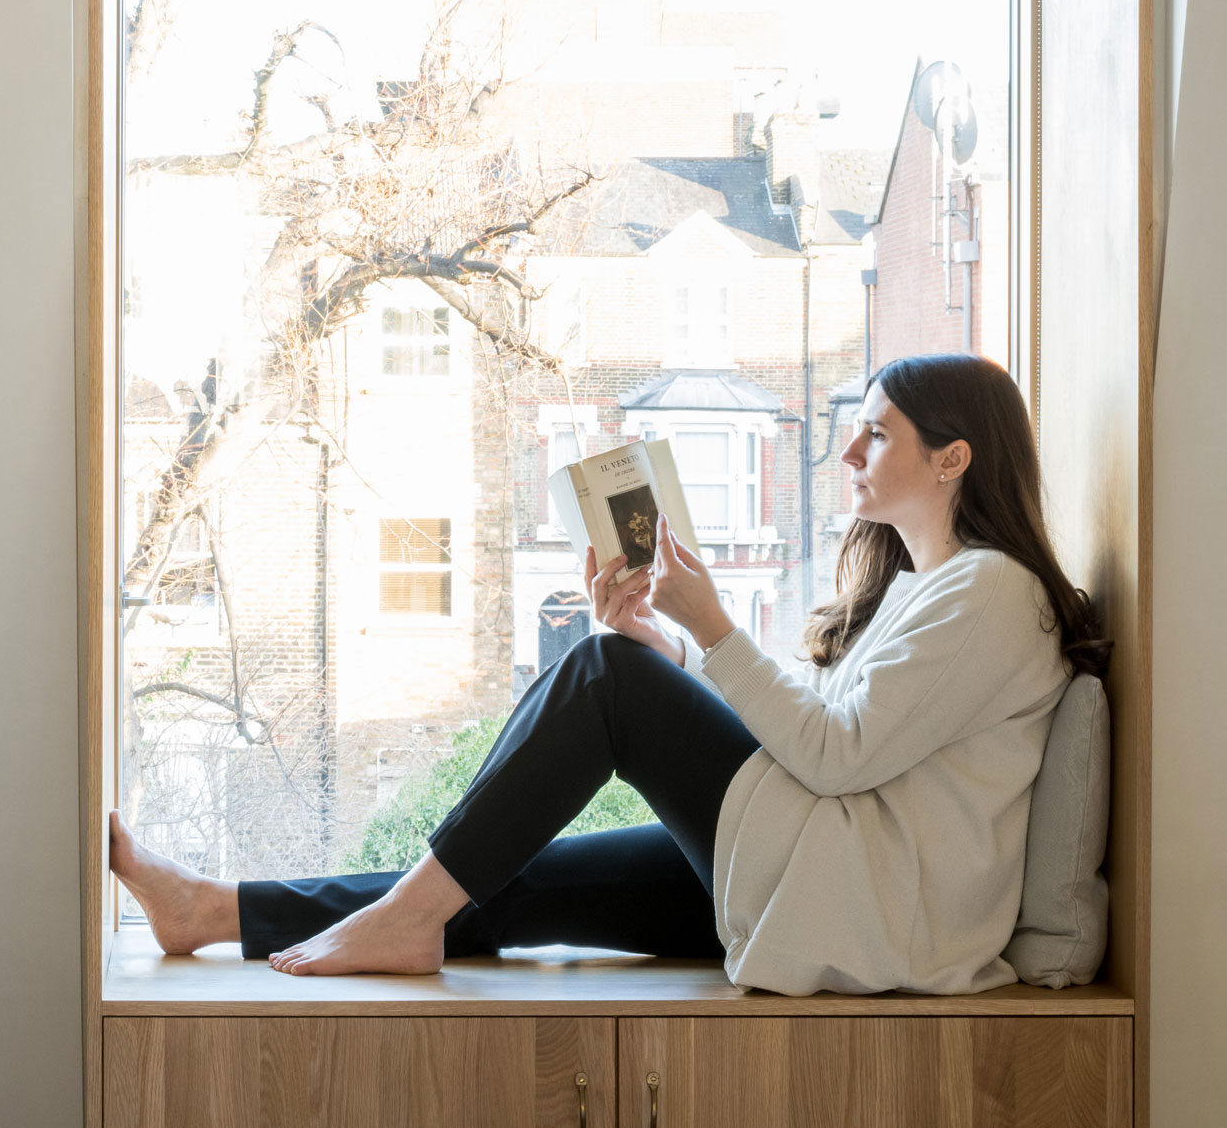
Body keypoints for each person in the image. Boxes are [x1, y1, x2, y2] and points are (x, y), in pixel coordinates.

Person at [109, 352, 1107, 998]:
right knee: (511, 876)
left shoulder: (988, 593)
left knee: (599, 677)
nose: (848, 447)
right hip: (827, 879)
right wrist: (670, 648)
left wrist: (700, 629)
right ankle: (214, 910)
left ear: (951, 460)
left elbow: (834, 759)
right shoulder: (933, 590)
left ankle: (403, 919)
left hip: (863, 904)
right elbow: (821, 736)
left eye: (877, 431)